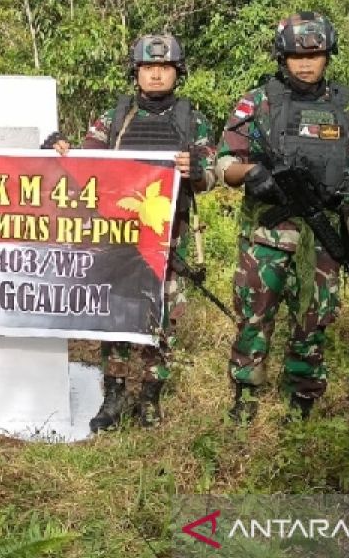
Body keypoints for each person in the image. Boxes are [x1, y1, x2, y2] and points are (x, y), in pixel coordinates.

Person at [50, 33, 216, 431]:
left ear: (177, 72)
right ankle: (115, 393)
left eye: (164, 67)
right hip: (118, 236)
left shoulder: (193, 120)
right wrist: (56, 149)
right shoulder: (115, 118)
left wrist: (197, 168)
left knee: (163, 316)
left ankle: (150, 396)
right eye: (148, 67)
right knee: (117, 312)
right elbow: (84, 162)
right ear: (136, 73)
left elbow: (213, 176)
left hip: (167, 236)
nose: (156, 75)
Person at [215, 12, 349, 422]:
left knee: (315, 316)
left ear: (327, 56)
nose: (305, 63)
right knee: (255, 314)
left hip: (323, 235)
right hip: (267, 234)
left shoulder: (344, 106)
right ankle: (246, 394)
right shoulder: (260, 101)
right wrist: (252, 173)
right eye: (295, 56)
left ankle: (303, 395)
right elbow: (223, 162)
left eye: (315, 55)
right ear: (281, 57)